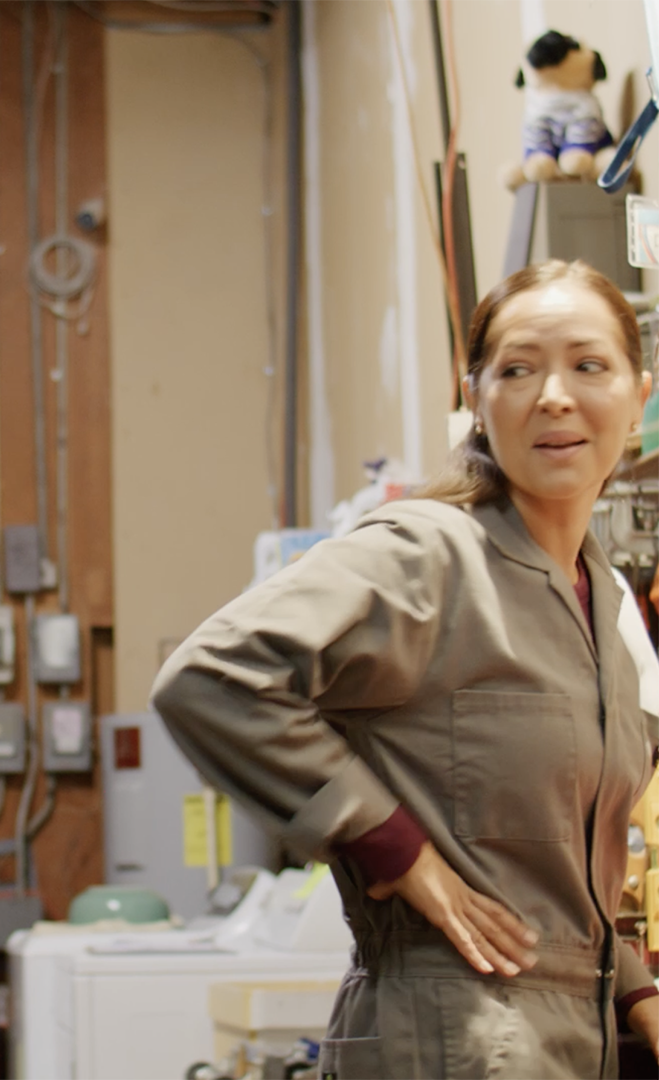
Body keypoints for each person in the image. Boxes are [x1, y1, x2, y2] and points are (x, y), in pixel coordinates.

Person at [152, 259, 659, 1078]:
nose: (555, 395)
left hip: (573, 1038)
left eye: (588, 365)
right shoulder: (429, 553)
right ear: (477, 401)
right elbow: (211, 675)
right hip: (449, 1034)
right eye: (519, 369)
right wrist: (395, 847)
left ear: (639, 397)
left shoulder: (602, 599)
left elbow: (555, 877)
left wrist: (632, 989)